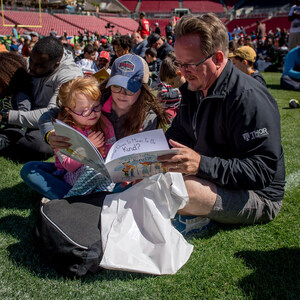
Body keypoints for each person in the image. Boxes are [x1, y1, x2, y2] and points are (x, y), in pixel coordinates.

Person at [158, 14, 285, 234]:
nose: (182, 72)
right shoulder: (193, 88)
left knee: (184, 191)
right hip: (214, 176)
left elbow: (262, 171)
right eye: (180, 63)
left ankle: (199, 216)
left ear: (217, 58)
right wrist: (146, 158)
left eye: (190, 64)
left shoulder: (248, 97)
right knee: (159, 179)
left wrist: (202, 165)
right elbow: (178, 135)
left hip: (258, 194)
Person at [21, 54, 169, 199]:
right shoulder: (97, 97)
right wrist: (50, 134)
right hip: (76, 170)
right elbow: (49, 115)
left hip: (118, 176)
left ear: (142, 88)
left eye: (130, 88)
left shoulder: (148, 117)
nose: (122, 93)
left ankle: (74, 200)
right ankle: (86, 201)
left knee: (129, 187)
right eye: (117, 86)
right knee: (30, 169)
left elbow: (146, 162)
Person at [20, 77, 115, 200]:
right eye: (85, 111)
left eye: (96, 107)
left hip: (101, 176)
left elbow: (112, 149)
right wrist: (88, 147)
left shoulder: (104, 123)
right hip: (72, 175)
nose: (93, 113)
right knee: (30, 168)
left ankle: (90, 199)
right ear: (69, 110)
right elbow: (69, 166)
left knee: (109, 176)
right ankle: (73, 199)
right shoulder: (64, 131)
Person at [0, 36, 83, 160]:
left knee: (39, 147)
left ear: (56, 65)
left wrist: (8, 116)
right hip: (23, 111)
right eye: (31, 60)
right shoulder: (35, 61)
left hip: (46, 122)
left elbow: (51, 114)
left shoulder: (70, 77)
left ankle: (9, 138)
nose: (31, 67)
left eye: (38, 65)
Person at [0, 53, 32, 152]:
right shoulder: (3, 92)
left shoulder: (20, 94)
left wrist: (4, 116)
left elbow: (25, 114)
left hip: (15, 130)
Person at [158, 52, 185, 120]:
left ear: (180, 73)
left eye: (172, 83)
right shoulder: (184, 88)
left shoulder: (193, 88)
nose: (172, 86)